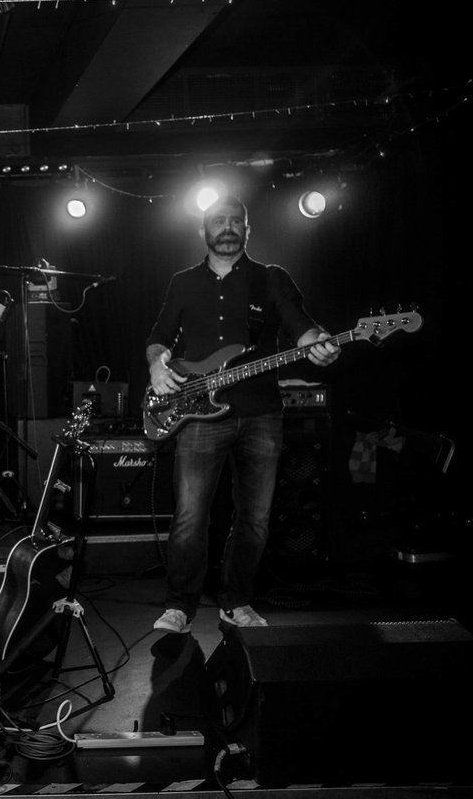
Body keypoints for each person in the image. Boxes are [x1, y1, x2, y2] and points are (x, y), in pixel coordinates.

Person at [145, 196, 339, 633]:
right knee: (190, 517)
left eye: (237, 221)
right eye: (219, 221)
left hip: (261, 413)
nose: (228, 227)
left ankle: (236, 601)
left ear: (248, 230)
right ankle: (180, 606)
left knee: (254, 518)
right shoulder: (182, 282)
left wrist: (318, 342)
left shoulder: (270, 278)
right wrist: (157, 365)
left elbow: (300, 324)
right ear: (203, 231)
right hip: (196, 413)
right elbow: (159, 337)